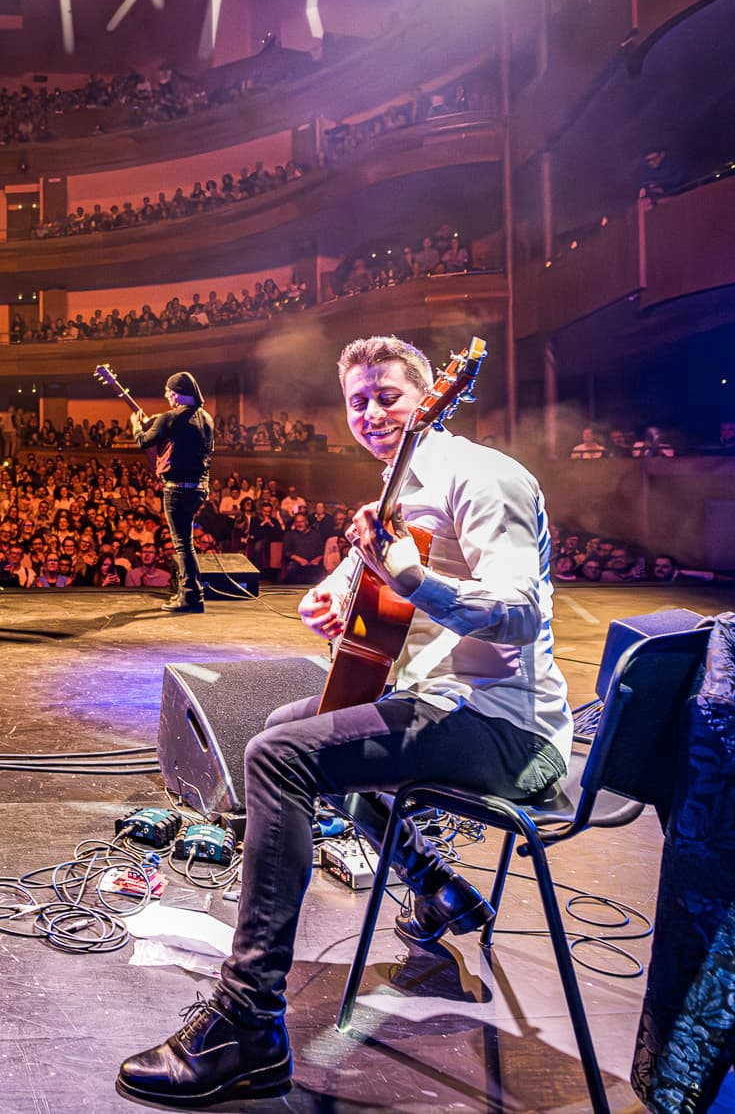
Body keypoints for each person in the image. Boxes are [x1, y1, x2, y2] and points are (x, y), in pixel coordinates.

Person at [118, 336, 571, 1107]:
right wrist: (330, 601)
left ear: (431, 396)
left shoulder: (483, 476)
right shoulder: (397, 497)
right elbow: (356, 596)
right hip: (439, 705)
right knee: (302, 722)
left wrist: (409, 577)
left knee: (277, 758)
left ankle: (248, 1019)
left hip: (507, 730)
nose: (370, 412)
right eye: (358, 399)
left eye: (388, 394)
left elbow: (519, 612)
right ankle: (434, 882)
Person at [130, 371, 215, 613]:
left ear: (176, 394)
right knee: (186, 544)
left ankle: (190, 596)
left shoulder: (170, 418)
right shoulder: (206, 417)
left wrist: (136, 425)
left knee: (183, 545)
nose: (166, 396)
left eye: (168, 392)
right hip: (200, 488)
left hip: (177, 491)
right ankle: (192, 592)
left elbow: (143, 441)